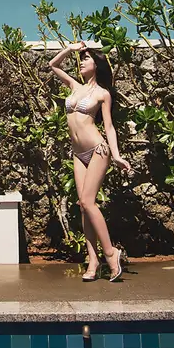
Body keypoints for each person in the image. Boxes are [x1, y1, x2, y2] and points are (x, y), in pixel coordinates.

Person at [49, 41, 133, 282]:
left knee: (88, 201)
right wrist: (70, 49)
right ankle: (93, 260)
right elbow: (53, 65)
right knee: (83, 206)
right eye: (82, 58)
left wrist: (116, 155)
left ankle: (111, 253)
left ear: (97, 64)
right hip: (78, 153)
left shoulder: (102, 94)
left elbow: (109, 126)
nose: (82, 62)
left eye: (86, 58)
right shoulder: (74, 86)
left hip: (97, 150)